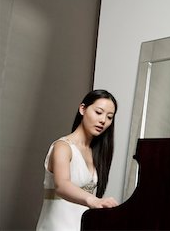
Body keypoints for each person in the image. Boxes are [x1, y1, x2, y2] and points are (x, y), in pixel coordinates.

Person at [36, 89, 119, 231]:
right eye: (98, 112)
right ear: (83, 109)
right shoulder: (62, 147)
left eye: (109, 117)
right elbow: (62, 185)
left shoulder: (96, 153)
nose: (103, 120)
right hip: (57, 226)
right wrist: (93, 200)